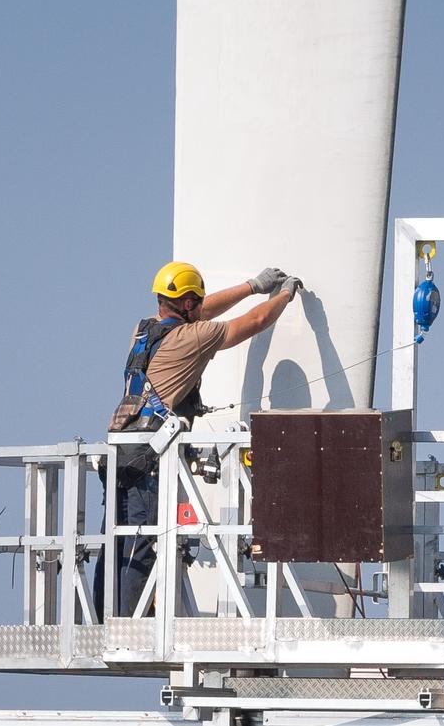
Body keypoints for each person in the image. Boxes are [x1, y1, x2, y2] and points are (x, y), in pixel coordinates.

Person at [99, 261, 302, 615]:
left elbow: (200, 311)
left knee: (114, 537)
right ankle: (129, 621)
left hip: (120, 449)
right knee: (141, 541)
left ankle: (106, 617)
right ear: (188, 303)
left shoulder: (144, 330)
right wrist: (284, 295)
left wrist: (252, 286)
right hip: (149, 457)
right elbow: (253, 323)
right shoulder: (195, 337)